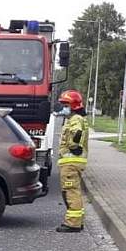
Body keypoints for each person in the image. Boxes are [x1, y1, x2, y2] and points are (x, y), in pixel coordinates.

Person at [56, 89, 89, 233]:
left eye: (65, 104)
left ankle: (73, 224)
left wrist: (74, 146)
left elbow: (77, 133)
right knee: (73, 191)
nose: (63, 107)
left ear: (73, 105)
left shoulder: (76, 119)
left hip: (71, 162)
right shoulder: (75, 118)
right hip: (73, 162)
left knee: (70, 191)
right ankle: (78, 221)